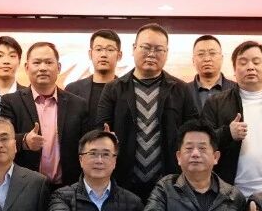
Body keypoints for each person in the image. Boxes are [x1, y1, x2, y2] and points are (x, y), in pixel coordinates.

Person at [95, 23, 200, 201]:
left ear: (166, 53)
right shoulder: (113, 88)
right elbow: (100, 129)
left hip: (169, 183)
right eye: (146, 47)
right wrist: (106, 138)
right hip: (123, 182)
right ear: (134, 48)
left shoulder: (181, 89)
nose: (152, 54)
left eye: (159, 49)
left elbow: (193, 130)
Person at [199, 40, 262, 197]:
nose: (250, 67)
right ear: (234, 70)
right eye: (243, 62)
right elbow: (202, 144)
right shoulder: (215, 103)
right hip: (228, 194)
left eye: (256, 62)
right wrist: (227, 133)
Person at [0, 42, 89, 187]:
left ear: (58, 67)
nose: (43, 68)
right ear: (27, 67)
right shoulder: (11, 102)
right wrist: (25, 141)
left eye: (48, 62)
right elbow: (3, 139)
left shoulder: (78, 105)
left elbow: (86, 146)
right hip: (25, 187)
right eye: (37, 63)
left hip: (68, 187)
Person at [66, 29, 123, 118]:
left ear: (119, 55)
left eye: (110, 50)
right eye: (98, 49)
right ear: (90, 54)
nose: (103, 54)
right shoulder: (72, 90)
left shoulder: (128, 90)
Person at [189, 35, 235, 112]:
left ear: (222, 58)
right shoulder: (183, 91)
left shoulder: (236, 89)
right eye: (201, 54)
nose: (207, 59)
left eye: (212, 53)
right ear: (193, 60)